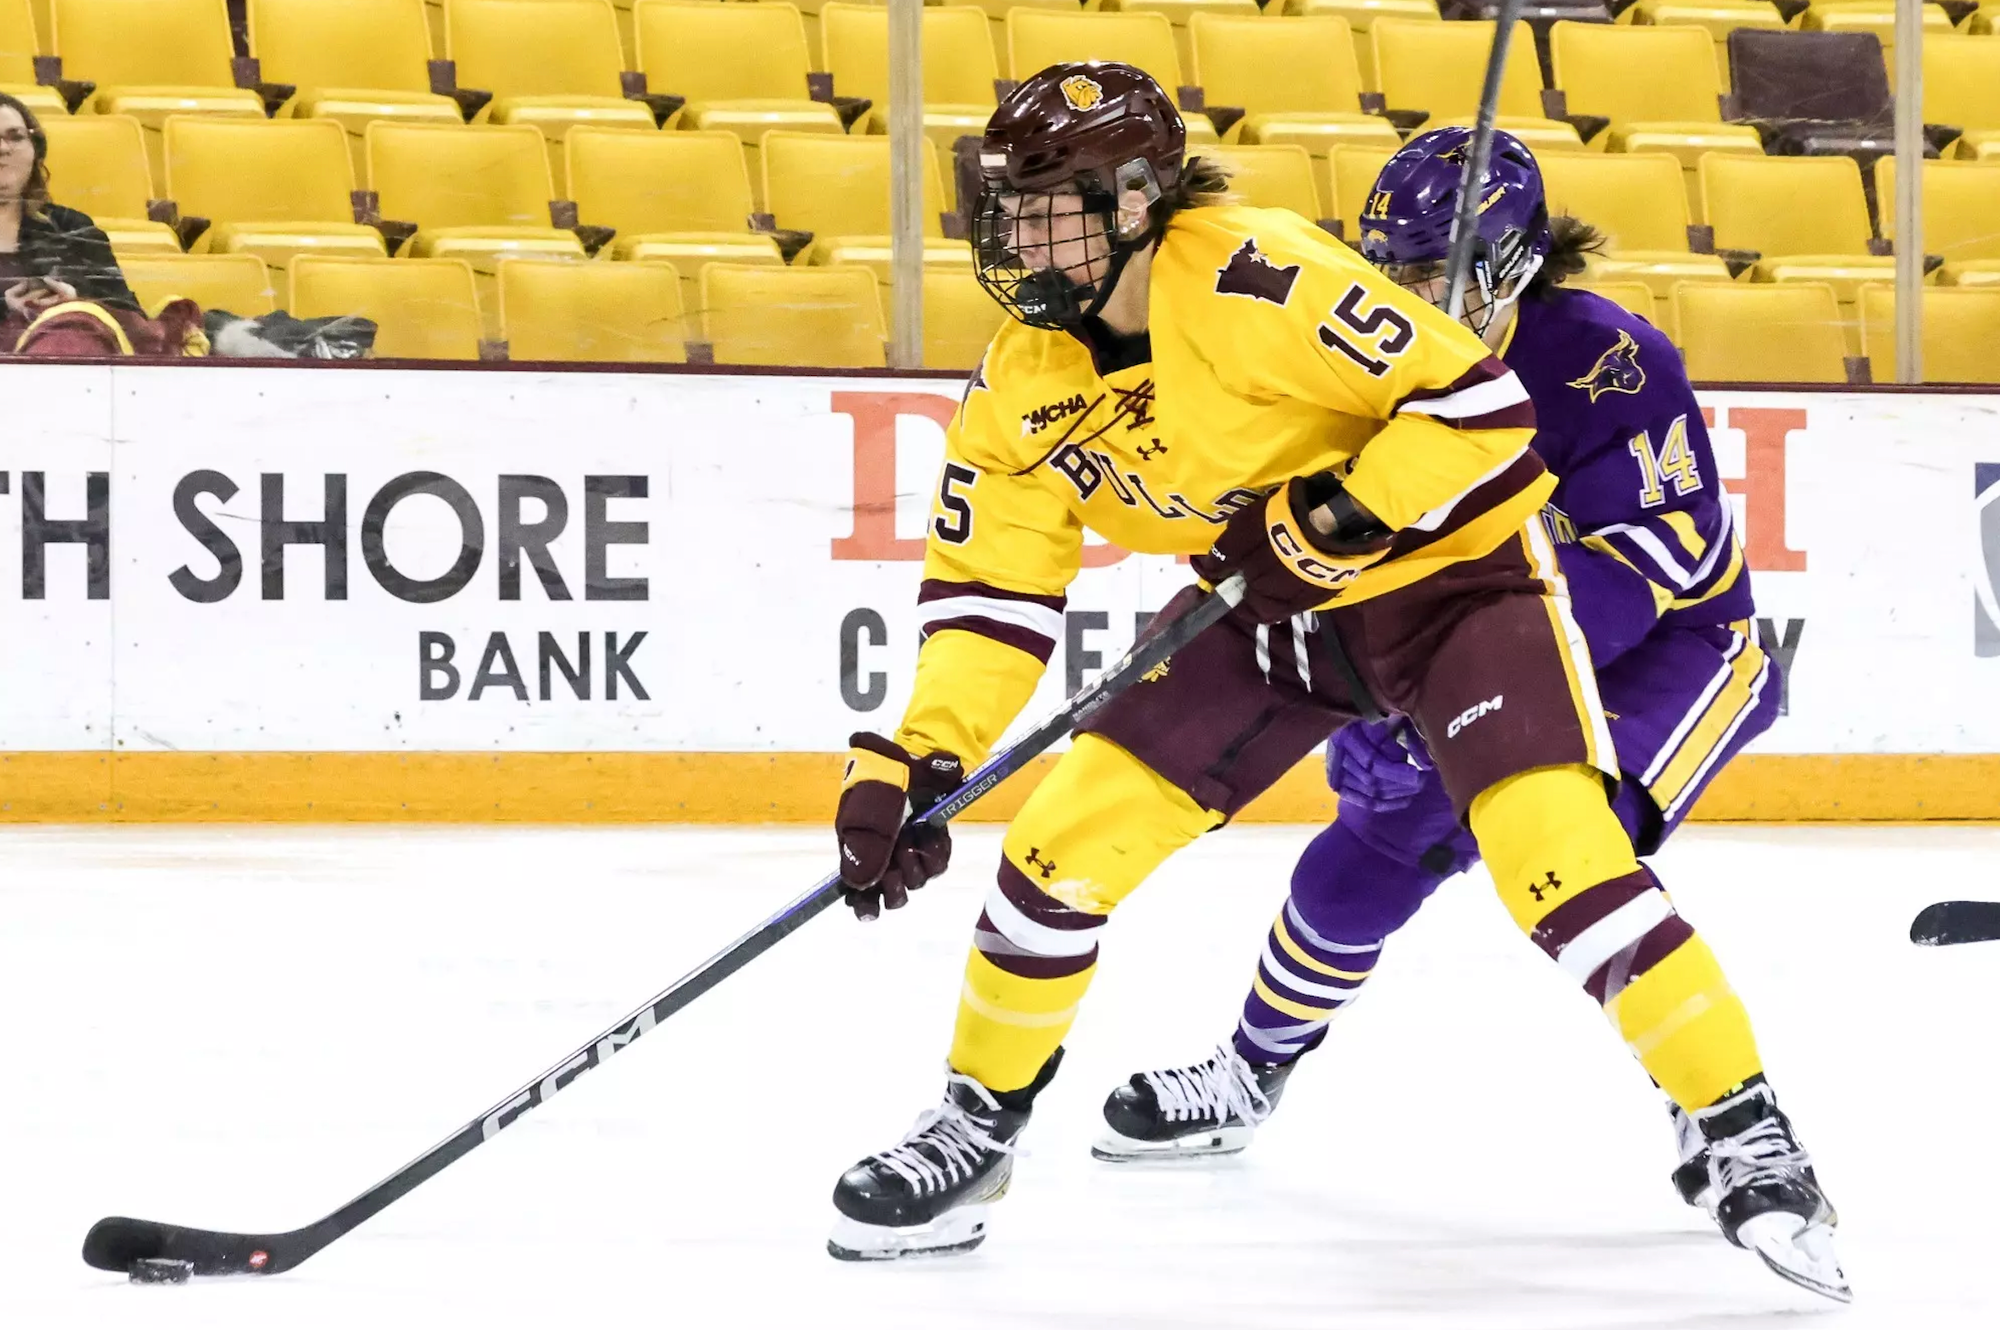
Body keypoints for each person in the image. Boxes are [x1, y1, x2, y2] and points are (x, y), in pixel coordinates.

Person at [822, 64, 1841, 1302]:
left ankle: (1745, 1134)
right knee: (1052, 851)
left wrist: (1339, 510)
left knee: (1556, 854)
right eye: (1010, 201)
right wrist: (918, 750)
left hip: (1453, 586)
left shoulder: (1258, 274)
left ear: (1136, 198)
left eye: (1047, 203)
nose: (1012, 232)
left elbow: (1478, 408)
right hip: (1269, 604)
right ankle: (972, 1134)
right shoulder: (1022, 378)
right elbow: (989, 588)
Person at [1089, 128, 1835, 1298]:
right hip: (1496, 630)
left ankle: (1731, 1123)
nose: (1412, 291)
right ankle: (1246, 1071)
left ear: (1510, 262)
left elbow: (1656, 556)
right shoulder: (1367, 347)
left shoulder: (1604, 359)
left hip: (1670, 646)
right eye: (1395, 261)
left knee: (1567, 857)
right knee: (1360, 858)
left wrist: (1450, 698)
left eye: (1440, 267)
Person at [0, 91, 196, 356]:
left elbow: (129, 317)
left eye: (16, 137)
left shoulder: (71, 227)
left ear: (35, 152)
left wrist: (74, 302)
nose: (3, 148)